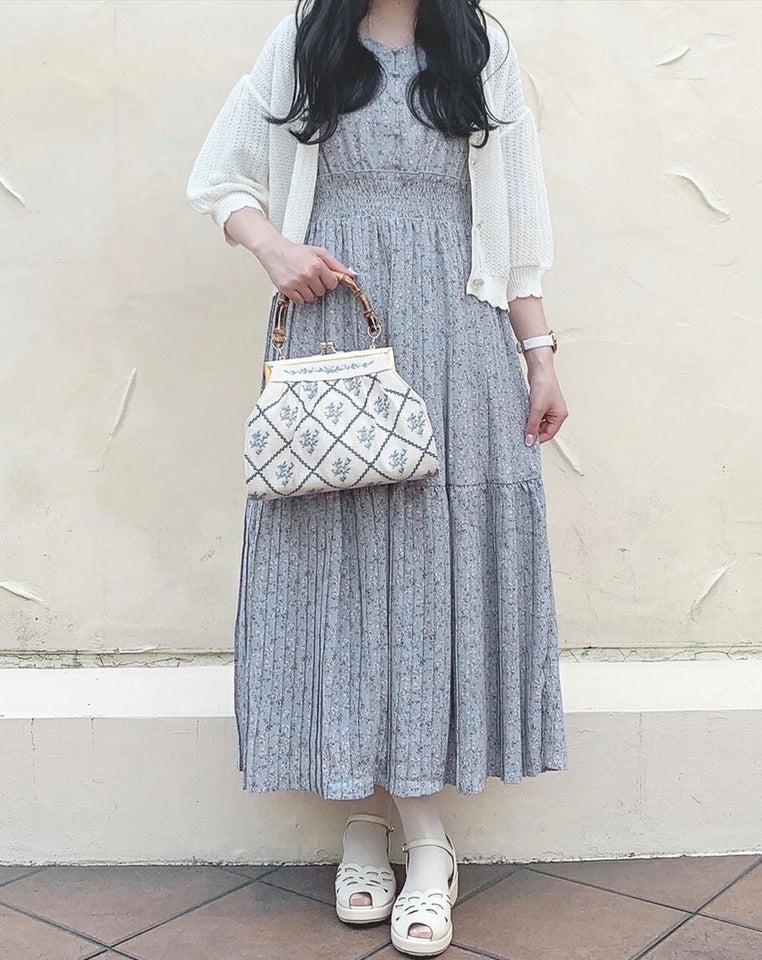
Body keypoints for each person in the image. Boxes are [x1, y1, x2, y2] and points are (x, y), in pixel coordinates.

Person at [186, 0, 569, 954]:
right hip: (336, 328)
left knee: (433, 577)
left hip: (459, 336)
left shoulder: (480, 47)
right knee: (343, 571)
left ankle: (399, 833)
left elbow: (516, 224)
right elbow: (223, 178)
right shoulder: (304, 40)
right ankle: (386, 825)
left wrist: (541, 356)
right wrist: (274, 248)